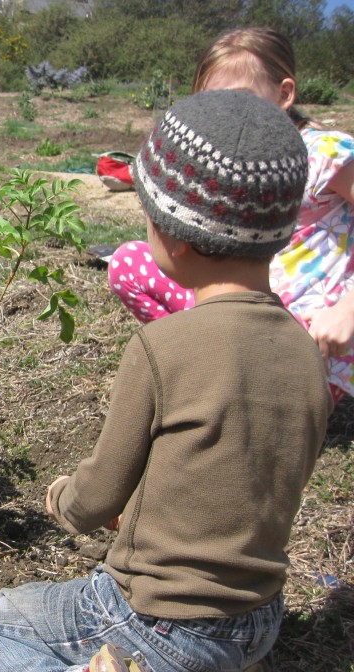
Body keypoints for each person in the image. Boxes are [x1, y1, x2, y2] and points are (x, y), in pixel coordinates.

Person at [0, 90, 331, 672]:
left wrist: (61, 498)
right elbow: (253, 480)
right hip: (260, 619)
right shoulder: (306, 352)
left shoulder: (165, 347)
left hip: (156, 618)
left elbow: (97, 501)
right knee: (203, 640)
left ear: (172, 236)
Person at [108, 27, 354, 400]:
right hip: (233, 311)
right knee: (128, 263)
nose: (227, 116)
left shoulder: (326, 153)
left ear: (285, 93)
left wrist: (348, 310)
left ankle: (257, 396)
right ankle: (206, 365)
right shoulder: (226, 158)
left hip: (307, 333)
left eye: (240, 99)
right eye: (211, 103)